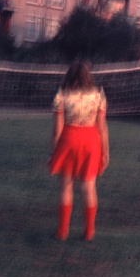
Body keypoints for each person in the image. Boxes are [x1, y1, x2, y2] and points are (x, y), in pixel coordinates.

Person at [48, 61, 110, 241]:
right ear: (88, 77)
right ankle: (89, 232)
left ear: (69, 76)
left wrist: (54, 153)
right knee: (89, 187)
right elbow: (102, 127)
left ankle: (62, 231)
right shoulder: (98, 96)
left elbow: (57, 130)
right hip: (91, 141)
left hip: (69, 140)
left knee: (66, 186)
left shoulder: (62, 96)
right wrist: (105, 152)